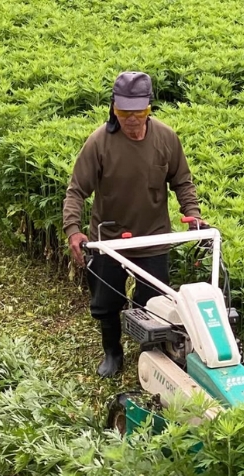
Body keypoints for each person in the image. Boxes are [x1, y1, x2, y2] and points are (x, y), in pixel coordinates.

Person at [63, 71, 205, 377]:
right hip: (109, 237)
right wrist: (73, 229)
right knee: (107, 300)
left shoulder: (166, 139)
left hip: (152, 236)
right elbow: (76, 190)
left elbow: (182, 181)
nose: (131, 120)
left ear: (149, 108)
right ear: (114, 108)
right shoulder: (99, 143)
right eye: (124, 112)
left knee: (152, 301)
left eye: (138, 112)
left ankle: (151, 356)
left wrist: (192, 212)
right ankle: (112, 351)